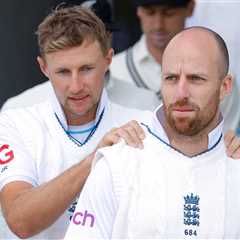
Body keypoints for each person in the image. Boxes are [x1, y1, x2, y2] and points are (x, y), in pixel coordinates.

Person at [65, 27, 240, 239]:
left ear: (225, 86)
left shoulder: (234, 161)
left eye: (196, 79)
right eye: (171, 79)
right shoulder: (118, 164)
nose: (181, 93)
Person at [0, 6, 151, 239]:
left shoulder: (143, 122)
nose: (76, 85)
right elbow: (20, 221)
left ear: (108, 59)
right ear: (44, 68)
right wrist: (96, 158)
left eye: (86, 69)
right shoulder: (15, 122)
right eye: (63, 72)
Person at [110, 0, 240, 131]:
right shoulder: (112, 71)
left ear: (190, 8)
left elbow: (225, 143)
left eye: (169, 14)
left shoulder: (219, 74)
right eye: (150, 13)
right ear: (138, 11)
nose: (158, 25)